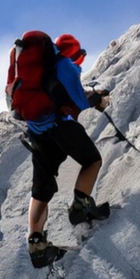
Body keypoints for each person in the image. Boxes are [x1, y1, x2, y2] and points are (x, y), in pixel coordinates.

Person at [23, 34, 110, 266]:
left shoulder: (38, 71)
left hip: (37, 131)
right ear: (75, 53)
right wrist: (99, 98)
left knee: (40, 189)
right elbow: (80, 99)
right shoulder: (64, 65)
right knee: (91, 160)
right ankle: (80, 208)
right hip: (61, 126)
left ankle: (37, 244)